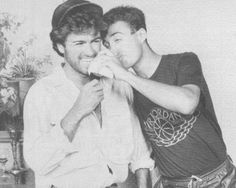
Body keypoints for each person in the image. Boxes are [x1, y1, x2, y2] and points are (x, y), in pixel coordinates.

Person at [101, 6, 236, 188]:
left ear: (141, 35)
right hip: (172, 184)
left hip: (220, 180)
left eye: (118, 39)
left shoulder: (184, 61)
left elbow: (187, 102)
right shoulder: (128, 89)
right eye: (108, 45)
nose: (114, 50)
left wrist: (126, 75)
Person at [23, 1, 154, 188]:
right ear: (61, 47)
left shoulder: (119, 84)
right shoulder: (42, 93)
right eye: (79, 43)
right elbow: (37, 162)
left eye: (95, 41)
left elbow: (140, 153)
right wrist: (77, 111)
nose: (91, 51)